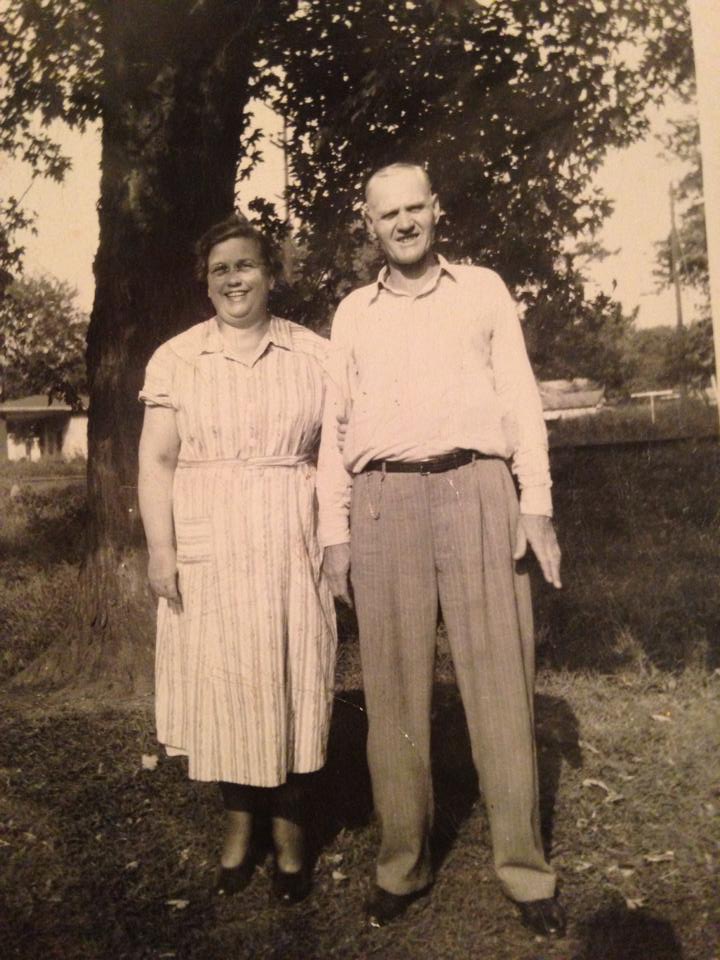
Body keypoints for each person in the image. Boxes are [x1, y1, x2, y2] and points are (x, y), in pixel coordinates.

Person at [316, 163, 566, 937]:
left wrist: (536, 505)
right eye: (386, 213)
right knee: (392, 692)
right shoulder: (352, 313)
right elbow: (334, 428)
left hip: (478, 488)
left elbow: (521, 399)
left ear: (436, 211)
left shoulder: (483, 290)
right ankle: (402, 864)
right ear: (369, 225)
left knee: (500, 681)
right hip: (384, 499)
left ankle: (525, 870)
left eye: (413, 208)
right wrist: (334, 533)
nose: (402, 223)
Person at [137, 214, 337, 903]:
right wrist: (161, 550)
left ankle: (290, 835)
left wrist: (335, 539)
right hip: (210, 543)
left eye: (245, 265)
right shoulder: (177, 357)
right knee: (225, 688)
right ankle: (237, 829)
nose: (233, 279)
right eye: (219, 269)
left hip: (289, 540)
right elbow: (157, 461)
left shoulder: (315, 354)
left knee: (292, 678)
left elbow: (338, 458)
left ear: (270, 274)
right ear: (205, 282)